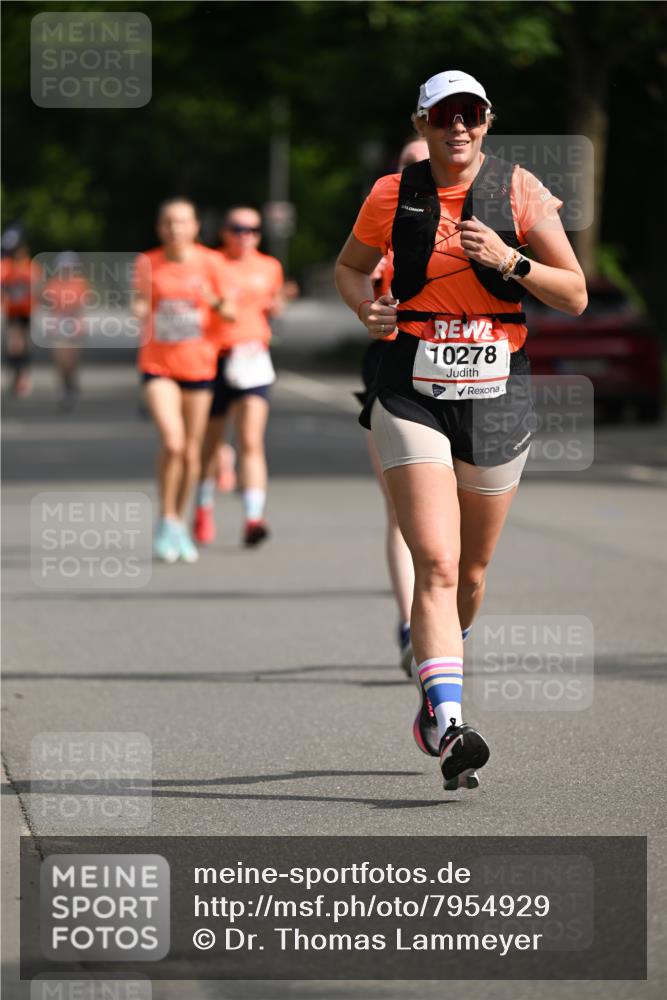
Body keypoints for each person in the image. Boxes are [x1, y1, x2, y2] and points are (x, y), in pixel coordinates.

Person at [336, 71, 587, 791]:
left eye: (469, 115)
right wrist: (367, 311)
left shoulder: (517, 191)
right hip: (409, 389)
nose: (457, 128)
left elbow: (571, 294)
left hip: (497, 394)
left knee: (470, 573)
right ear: (421, 124)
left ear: (486, 122)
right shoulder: (391, 195)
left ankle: (438, 665)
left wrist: (509, 260)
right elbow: (349, 269)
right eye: (443, 116)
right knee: (436, 563)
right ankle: (448, 721)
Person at [360, 137, 428, 676]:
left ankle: (443, 616)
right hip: (390, 368)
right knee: (401, 510)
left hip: (464, 374)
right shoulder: (382, 218)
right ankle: (411, 624)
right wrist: (370, 307)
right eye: (409, 163)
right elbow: (351, 269)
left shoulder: (476, 216)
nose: (420, 169)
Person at [134, 197, 234, 563]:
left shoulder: (212, 263)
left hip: (199, 366)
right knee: (174, 443)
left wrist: (213, 301)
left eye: (182, 222)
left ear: (194, 227)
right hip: (158, 365)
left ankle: (179, 522)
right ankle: (166, 517)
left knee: (193, 451)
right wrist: (140, 309)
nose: (175, 229)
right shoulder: (147, 263)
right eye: (168, 223)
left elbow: (232, 312)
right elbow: (140, 303)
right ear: (160, 228)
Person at [193, 206, 285, 548]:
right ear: (224, 232)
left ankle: (253, 517)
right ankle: (203, 506)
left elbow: (273, 302)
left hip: (253, 358)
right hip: (214, 358)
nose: (245, 235)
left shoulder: (269, 266)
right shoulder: (210, 264)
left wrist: (278, 305)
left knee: (250, 440)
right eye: (237, 228)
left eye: (253, 229)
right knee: (211, 444)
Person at [41, 252, 89, 411]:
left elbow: (81, 306)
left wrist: (79, 324)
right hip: (59, 321)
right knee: (60, 358)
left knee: (71, 359)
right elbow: (50, 306)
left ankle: (71, 382)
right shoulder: (53, 284)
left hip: (73, 322)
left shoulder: (79, 283)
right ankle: (62, 387)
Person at [1, 237, 41, 397]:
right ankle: (15, 374)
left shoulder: (31, 267)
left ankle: (23, 375)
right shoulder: (6, 267)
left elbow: (37, 287)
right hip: (12, 310)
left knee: (22, 344)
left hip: (26, 310)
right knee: (13, 344)